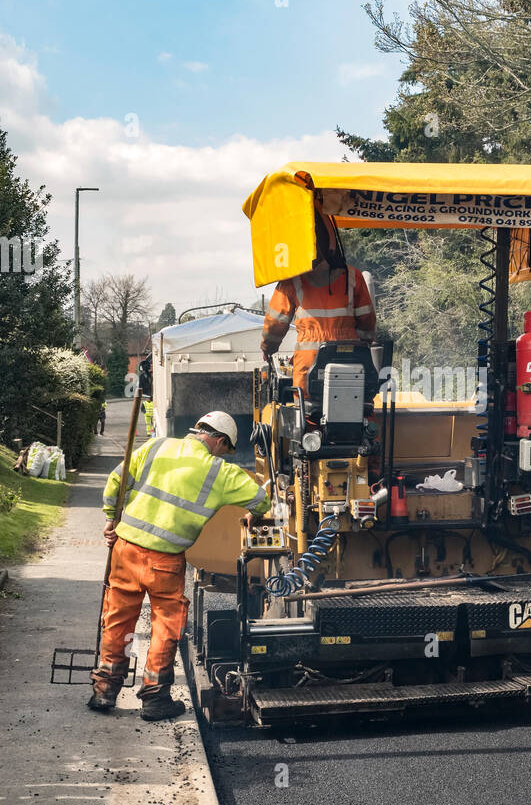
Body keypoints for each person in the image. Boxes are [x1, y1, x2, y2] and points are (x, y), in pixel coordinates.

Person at [89, 411, 271, 721]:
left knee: (117, 618)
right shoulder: (219, 472)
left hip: (126, 550)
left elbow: (117, 479)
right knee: (165, 625)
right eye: (225, 450)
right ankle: (155, 698)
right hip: (165, 561)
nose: (223, 455)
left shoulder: (156, 446)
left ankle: (104, 690)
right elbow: (261, 499)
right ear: (219, 440)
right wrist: (257, 513)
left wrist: (110, 517)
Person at [260, 210, 376, 393]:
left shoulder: (292, 280)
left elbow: (275, 323)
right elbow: (367, 322)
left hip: (309, 365)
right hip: (350, 363)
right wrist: (360, 345)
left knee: (307, 415)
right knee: (354, 413)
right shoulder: (353, 276)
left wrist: (268, 348)